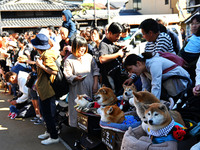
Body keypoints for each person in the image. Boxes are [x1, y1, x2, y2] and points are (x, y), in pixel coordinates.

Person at [63, 36, 100, 127]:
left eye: (84, 48)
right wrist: (75, 78)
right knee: (79, 110)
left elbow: (96, 71)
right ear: (75, 47)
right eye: (80, 49)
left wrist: (95, 84)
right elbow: (68, 75)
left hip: (92, 87)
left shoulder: (89, 57)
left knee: (93, 109)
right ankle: (80, 129)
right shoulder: (69, 60)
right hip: (78, 90)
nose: (82, 51)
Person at [123, 52, 191, 100]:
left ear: (138, 63)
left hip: (181, 81)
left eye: (130, 69)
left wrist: (153, 103)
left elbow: (156, 85)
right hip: (171, 83)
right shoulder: (142, 70)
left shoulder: (154, 64)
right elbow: (145, 87)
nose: (131, 73)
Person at [31, 33, 59, 145]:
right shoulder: (47, 53)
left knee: (48, 114)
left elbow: (54, 71)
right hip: (43, 89)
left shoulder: (47, 55)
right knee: (45, 112)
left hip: (47, 89)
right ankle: (49, 132)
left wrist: (41, 66)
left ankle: (54, 136)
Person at [98, 22, 127, 95]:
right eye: (117, 36)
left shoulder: (113, 42)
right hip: (110, 79)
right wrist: (118, 54)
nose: (118, 38)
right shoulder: (104, 44)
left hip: (118, 77)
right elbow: (102, 59)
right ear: (110, 33)